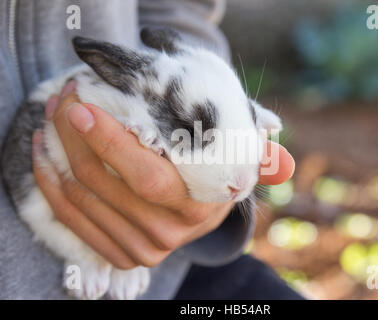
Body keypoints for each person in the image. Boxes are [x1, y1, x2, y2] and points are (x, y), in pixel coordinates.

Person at [0, 0, 299, 299]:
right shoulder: (123, 98)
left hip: (175, 269)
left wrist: (196, 222)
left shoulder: (174, 88)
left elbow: (183, 17)